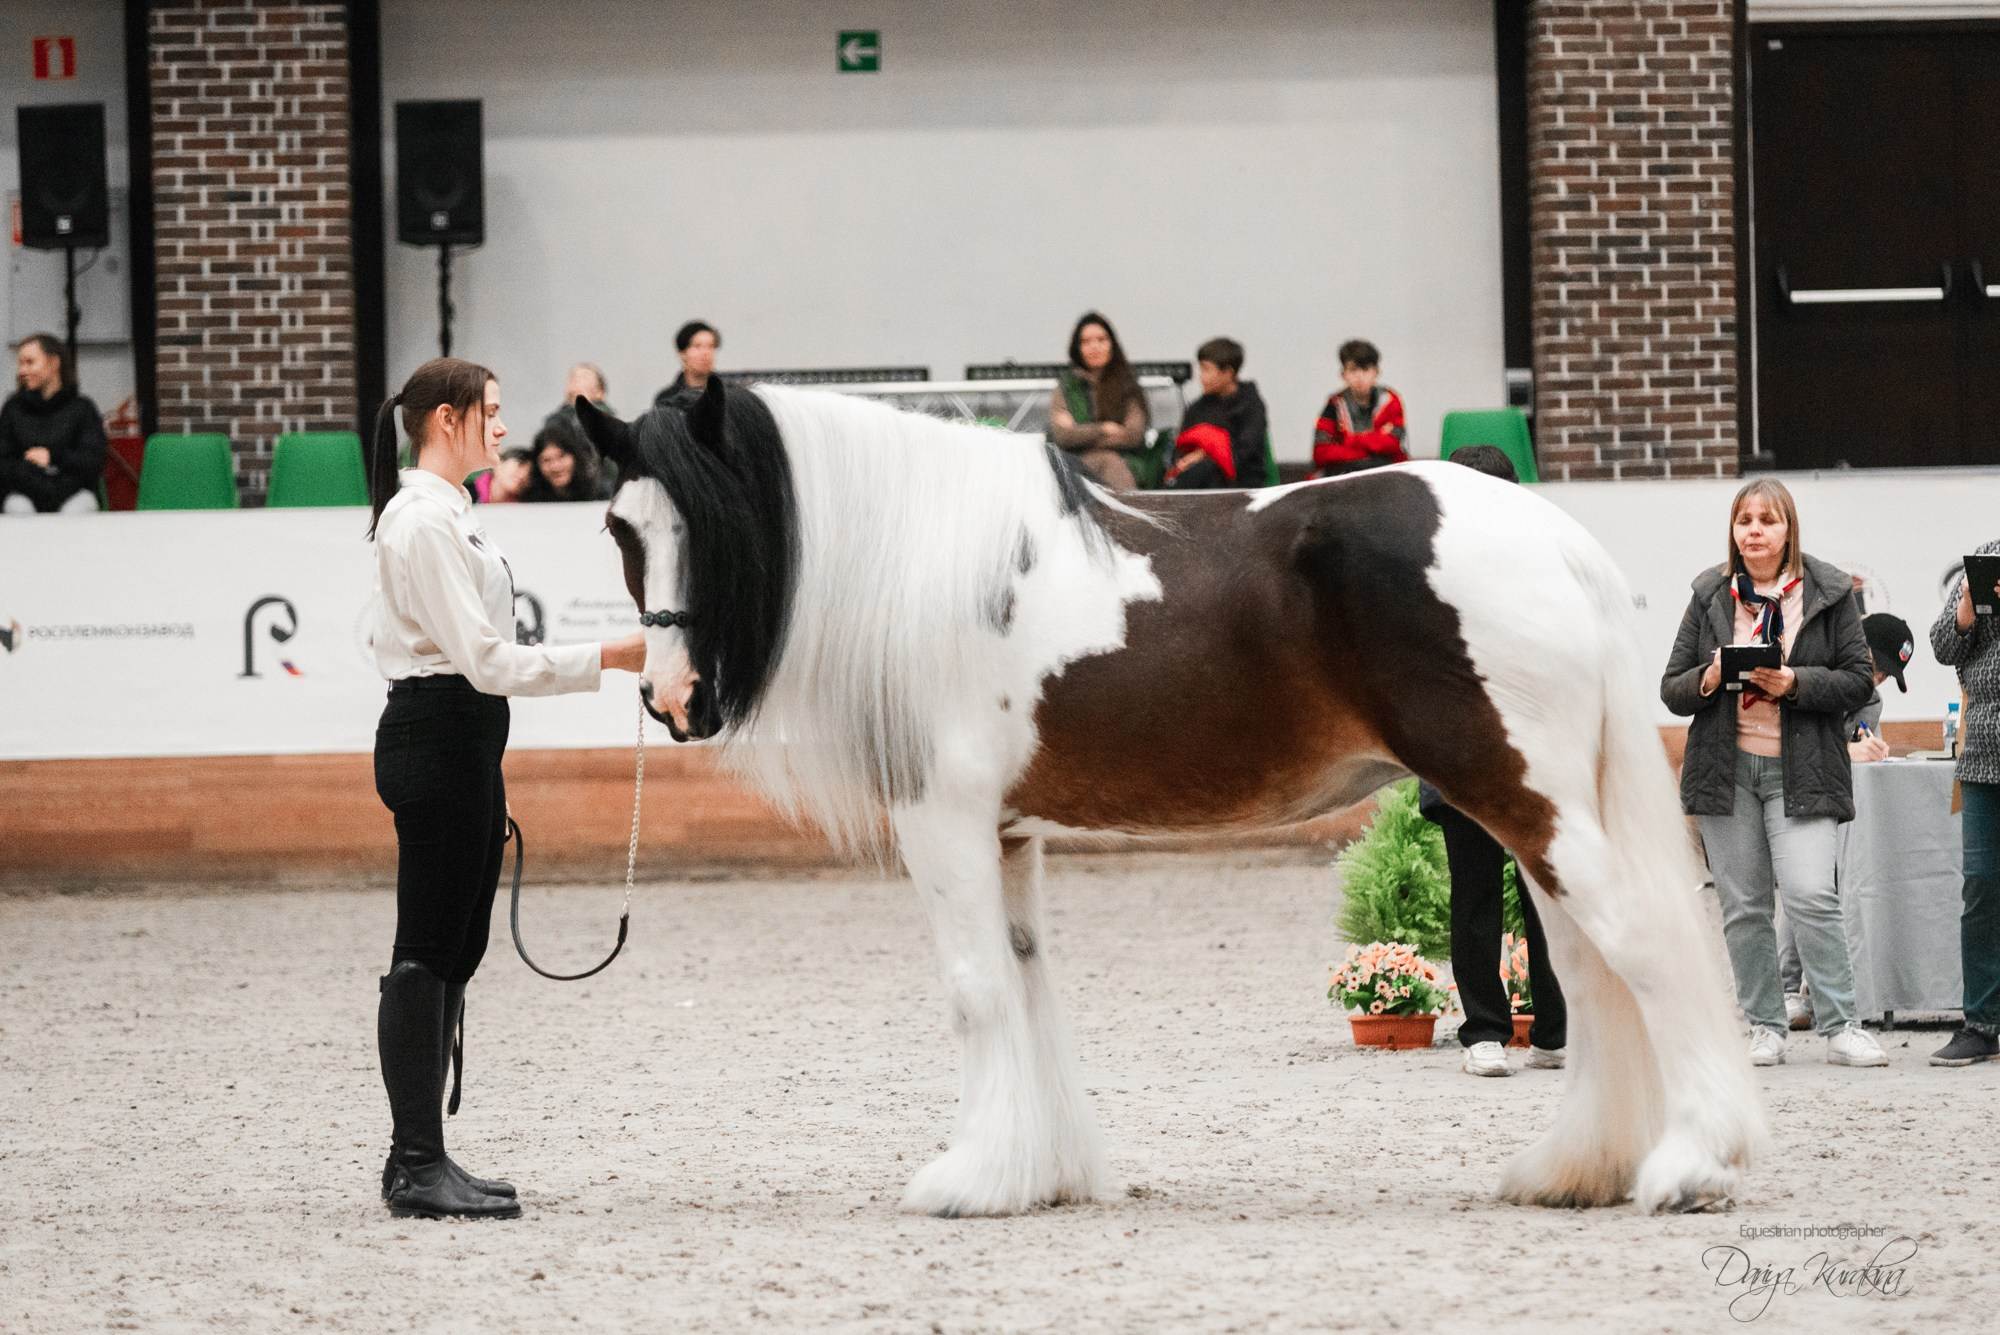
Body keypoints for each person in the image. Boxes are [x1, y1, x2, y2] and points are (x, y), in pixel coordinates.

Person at [365, 356, 646, 1219]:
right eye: (488, 411)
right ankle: (414, 1162)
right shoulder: (422, 523)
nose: (500, 426)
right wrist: (610, 654)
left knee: (458, 947)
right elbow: (485, 660)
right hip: (443, 732)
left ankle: (422, 1155)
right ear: (445, 419)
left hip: (463, 739)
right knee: (426, 948)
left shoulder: (450, 517)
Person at [1661, 478, 1886, 1068]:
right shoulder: (1710, 593)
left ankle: (1842, 1026)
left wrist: (1795, 682)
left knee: (1812, 894)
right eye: (1744, 521)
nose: (1754, 531)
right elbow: (1672, 689)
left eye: (1767, 520)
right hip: (1725, 771)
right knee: (1744, 907)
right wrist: (1710, 677)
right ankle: (1766, 1026)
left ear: (1789, 529)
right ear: (1733, 531)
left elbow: (1860, 680)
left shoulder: (1830, 593)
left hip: (1801, 769)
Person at [1415, 445, 1567, 1077]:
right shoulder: (1427, 570)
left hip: (1533, 754)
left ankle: (1554, 1030)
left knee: (1544, 897)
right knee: (1474, 895)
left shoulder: (1544, 565)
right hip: (1463, 753)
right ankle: (1483, 1029)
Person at [1778, 611, 1913, 1029]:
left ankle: (1819, 991)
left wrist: (1871, 748)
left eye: (1887, 675)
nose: (1877, 681)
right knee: (1800, 887)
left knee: (1829, 884)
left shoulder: (1871, 700)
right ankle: (1783, 989)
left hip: (1833, 802)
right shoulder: (1815, 672)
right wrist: (1844, 753)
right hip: (1785, 790)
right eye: (1876, 668)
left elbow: (1858, 743)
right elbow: (1793, 743)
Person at [1928, 543, 2000, 1065]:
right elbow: (1941, 646)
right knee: (1980, 889)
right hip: (1983, 758)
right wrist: (1968, 607)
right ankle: (1980, 1022)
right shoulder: (1985, 560)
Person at [1, 333, 107, 514]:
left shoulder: (82, 409)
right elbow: (4, 463)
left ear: (54, 363)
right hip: (24, 492)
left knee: (76, 510)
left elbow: (92, 461)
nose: (22, 371)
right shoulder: (12, 410)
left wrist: (52, 457)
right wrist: (37, 483)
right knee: (18, 508)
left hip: (73, 492)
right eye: (20, 364)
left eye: (30, 362)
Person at [1048, 311, 1148, 490]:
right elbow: (1063, 436)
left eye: (1101, 340)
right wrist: (1105, 429)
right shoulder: (1065, 388)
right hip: (1076, 464)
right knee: (1106, 461)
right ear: (1077, 348)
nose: (1094, 347)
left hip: (1124, 461)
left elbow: (1133, 435)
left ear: (1112, 344)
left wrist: (1081, 435)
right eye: (1086, 342)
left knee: (1110, 461)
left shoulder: (1128, 386)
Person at [1164, 337, 1269, 490]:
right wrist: (1185, 460)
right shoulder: (1197, 408)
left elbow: (1246, 452)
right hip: (1197, 477)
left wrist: (1206, 454)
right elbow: (1180, 445)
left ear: (1228, 373)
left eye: (1206, 369)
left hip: (1241, 483)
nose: (1201, 377)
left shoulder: (1250, 405)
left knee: (1204, 470)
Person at [1309, 339, 1406, 477]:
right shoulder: (1334, 405)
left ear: (1376, 372)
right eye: (1353, 369)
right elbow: (1321, 453)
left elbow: (1392, 444)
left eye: (1365, 369)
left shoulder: (1390, 401)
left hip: (1385, 472)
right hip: (1344, 473)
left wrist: (1348, 441)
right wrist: (1370, 450)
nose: (1359, 376)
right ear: (1343, 374)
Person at [521, 419, 608, 502]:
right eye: (546, 460)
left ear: (575, 457)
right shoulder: (530, 500)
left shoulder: (599, 494)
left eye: (561, 457)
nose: (555, 467)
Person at [653, 321, 719, 411]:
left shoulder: (727, 395)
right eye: (697, 346)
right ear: (683, 353)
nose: (706, 352)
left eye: (711, 346)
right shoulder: (667, 399)